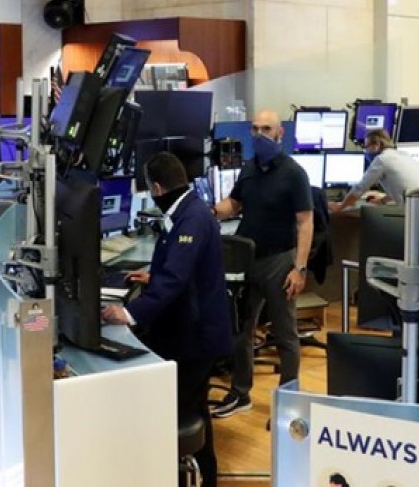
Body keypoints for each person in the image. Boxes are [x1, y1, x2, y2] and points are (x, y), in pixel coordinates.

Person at [102, 151, 232, 487]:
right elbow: (179, 269)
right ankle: (206, 477)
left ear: (157, 188)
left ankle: (181, 475)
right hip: (196, 325)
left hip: (196, 334)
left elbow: (176, 279)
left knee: (180, 407)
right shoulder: (189, 209)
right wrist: (153, 276)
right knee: (195, 405)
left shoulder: (190, 218)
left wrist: (128, 312)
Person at [210, 108, 314, 418]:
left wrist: (300, 268)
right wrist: (209, 211)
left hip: (280, 262)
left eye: (266, 129)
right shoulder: (249, 168)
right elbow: (235, 203)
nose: (260, 135)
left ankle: (288, 402)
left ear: (280, 133)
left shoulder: (294, 173)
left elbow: (305, 223)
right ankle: (241, 394)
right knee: (242, 332)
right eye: (255, 129)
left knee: (284, 334)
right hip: (247, 260)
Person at [328, 128, 419, 214]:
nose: (366, 151)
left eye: (366, 147)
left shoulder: (382, 159)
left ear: (376, 145)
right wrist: (382, 200)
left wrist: (340, 207)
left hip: (418, 212)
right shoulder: (404, 155)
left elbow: (359, 189)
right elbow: (402, 186)